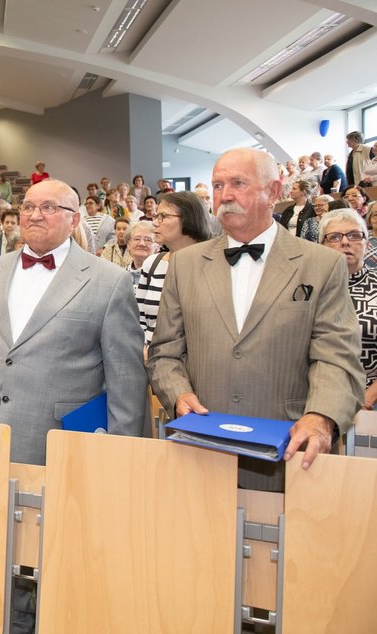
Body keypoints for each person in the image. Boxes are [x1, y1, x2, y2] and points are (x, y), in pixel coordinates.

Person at [0, 179, 146, 632]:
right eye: (28, 206)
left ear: (75, 219)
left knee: (52, 556)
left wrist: (120, 456)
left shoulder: (109, 281)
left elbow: (126, 380)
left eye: (49, 207)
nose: (35, 214)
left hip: (58, 446)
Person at [147, 147, 364, 493]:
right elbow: (165, 352)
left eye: (238, 183)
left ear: (274, 192)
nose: (225, 195)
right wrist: (178, 393)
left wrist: (321, 415)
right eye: (218, 185)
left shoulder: (321, 264)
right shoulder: (184, 264)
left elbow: (337, 357)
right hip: (201, 450)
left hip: (290, 455)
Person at [317, 209, 377, 409]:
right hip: (316, 400)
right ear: (321, 246)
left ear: (367, 244)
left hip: (370, 400)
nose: (345, 242)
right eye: (334, 237)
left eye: (354, 235)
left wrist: (368, 398)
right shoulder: (309, 287)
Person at [136, 192, 212, 344]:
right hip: (152, 358)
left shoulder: (212, 264)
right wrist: (143, 347)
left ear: (189, 218)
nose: (155, 222)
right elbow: (140, 317)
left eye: (163, 216)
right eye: (156, 216)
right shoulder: (152, 263)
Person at [125, 221, 156, 291]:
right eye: (137, 239)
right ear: (128, 245)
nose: (142, 244)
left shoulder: (161, 274)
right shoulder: (121, 275)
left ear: (157, 246)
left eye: (148, 240)